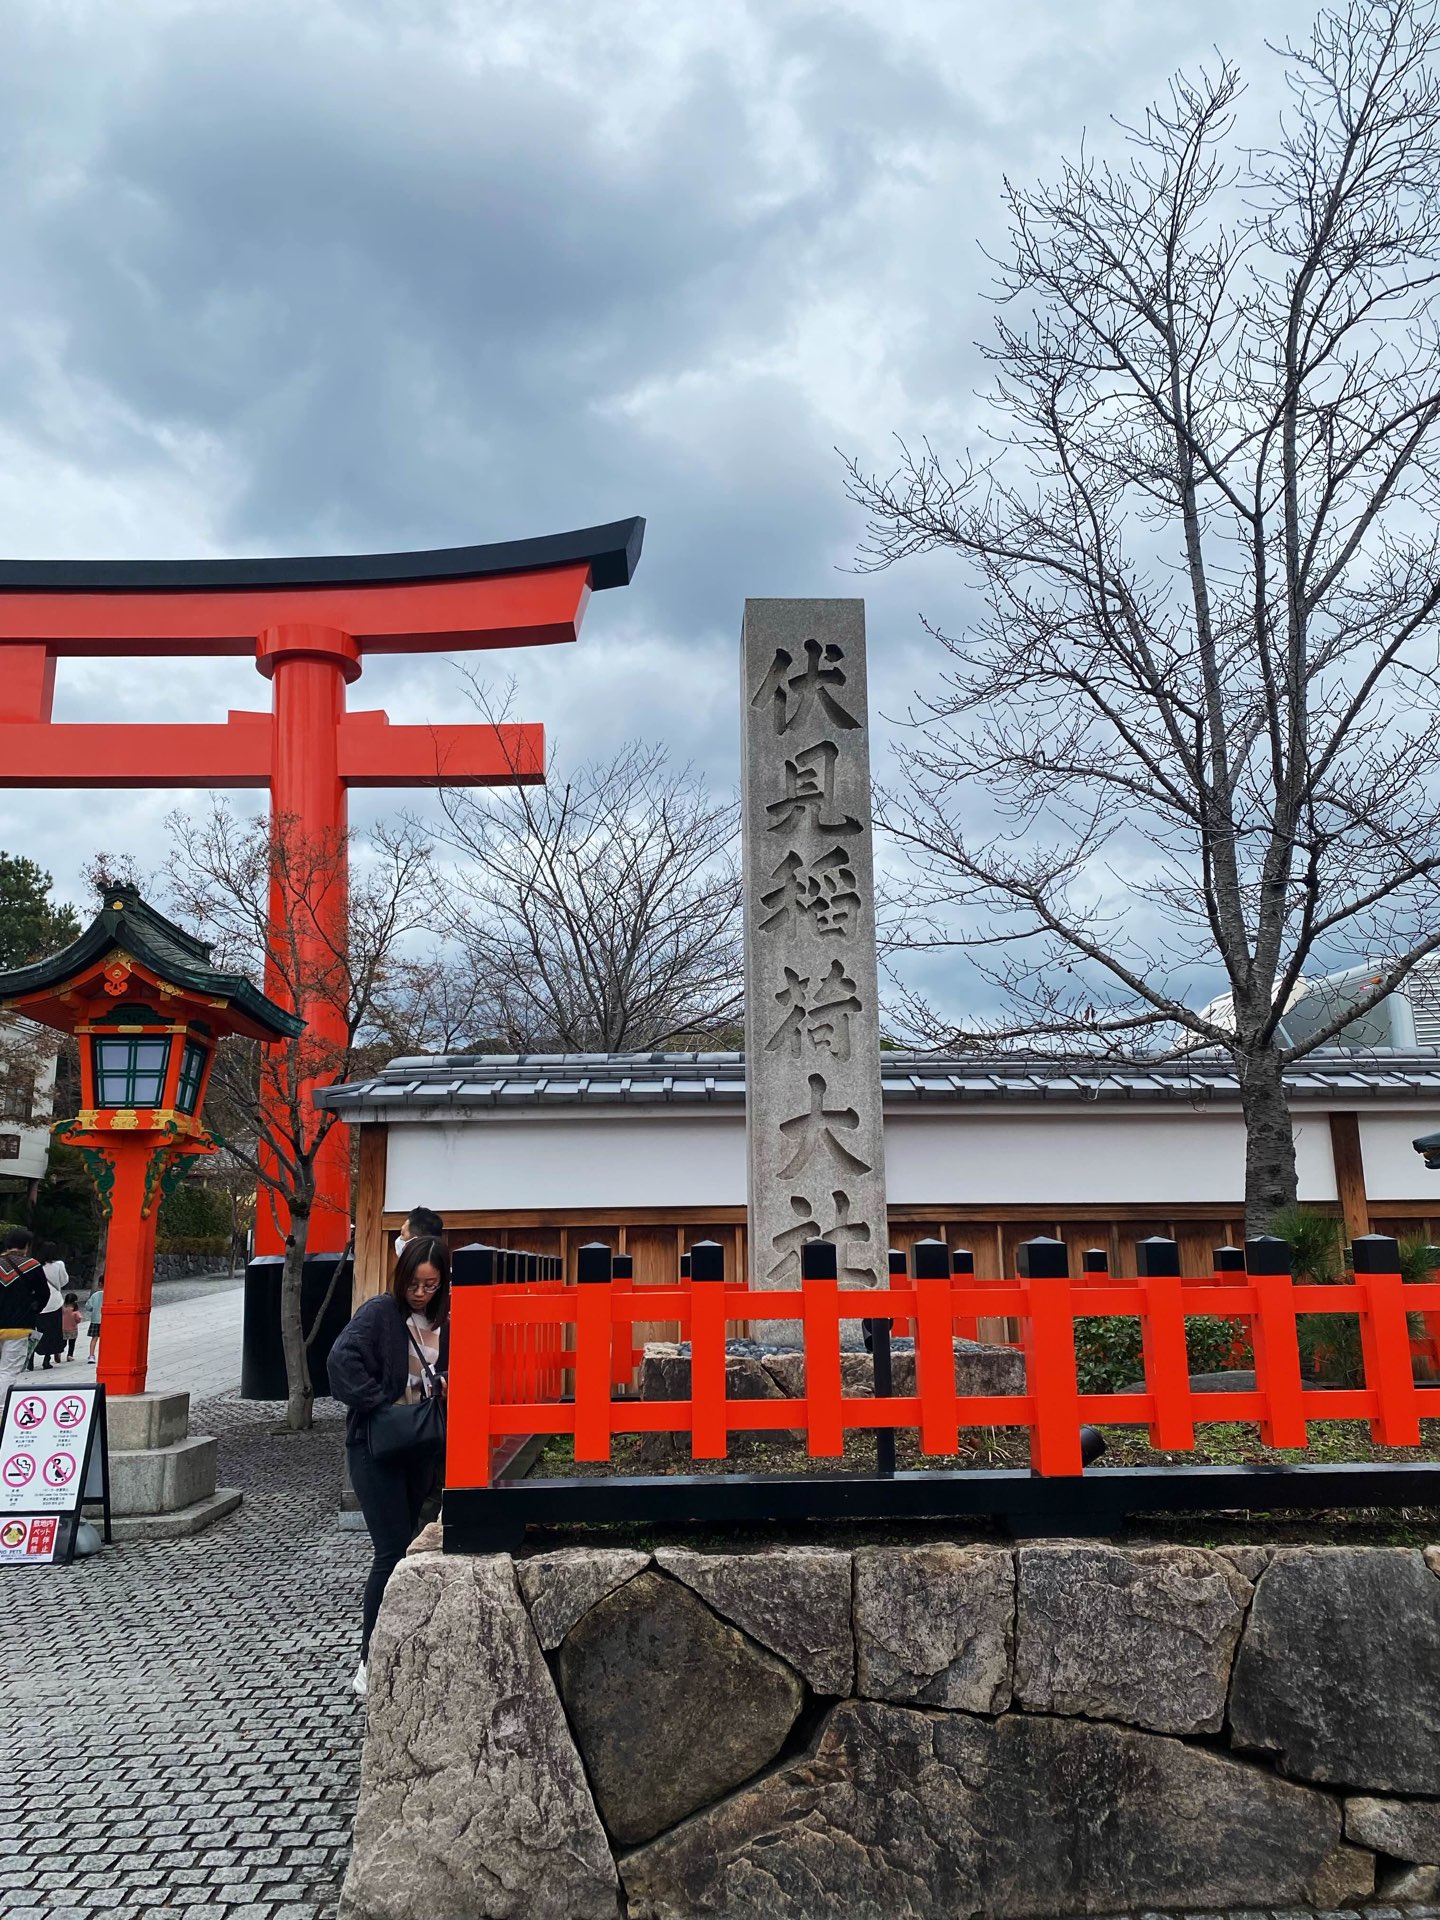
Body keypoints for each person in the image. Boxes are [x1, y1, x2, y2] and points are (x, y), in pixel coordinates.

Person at [327, 1235, 449, 1699]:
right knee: (391, 1549)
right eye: (415, 1284)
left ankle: (399, 1649)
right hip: (374, 1446)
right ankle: (369, 1658)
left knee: (409, 1547)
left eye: (431, 1285)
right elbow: (340, 1361)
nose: (421, 1293)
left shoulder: (444, 1322)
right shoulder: (380, 1313)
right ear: (402, 1278)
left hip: (420, 1446)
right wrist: (379, 1403)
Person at [0, 1228, 49, 1386]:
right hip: (19, 1326)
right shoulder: (32, 1265)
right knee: (8, 1370)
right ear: (26, 1245)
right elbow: (44, 1294)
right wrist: (33, 1311)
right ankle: (2, 1408)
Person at [27, 1243, 65, 1371]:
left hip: (37, 1302)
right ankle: (46, 1360)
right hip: (54, 1301)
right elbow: (64, 1280)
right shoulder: (59, 1265)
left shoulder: (33, 1265)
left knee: (35, 1331)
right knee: (51, 1331)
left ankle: (30, 1359)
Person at [85, 1282, 104, 1363]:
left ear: (99, 1284)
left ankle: (91, 1355)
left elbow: (88, 1307)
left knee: (94, 1338)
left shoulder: (95, 1295)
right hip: (107, 1319)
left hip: (96, 1319)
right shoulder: (111, 1295)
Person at [61, 1293, 82, 1362]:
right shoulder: (74, 1310)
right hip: (73, 1329)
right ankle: (70, 1355)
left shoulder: (63, 1309)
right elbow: (79, 1318)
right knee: (72, 1343)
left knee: (63, 1342)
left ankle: (59, 1351)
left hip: (63, 1328)